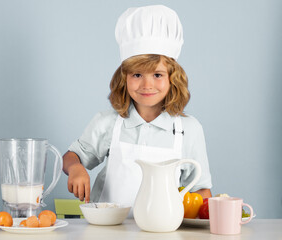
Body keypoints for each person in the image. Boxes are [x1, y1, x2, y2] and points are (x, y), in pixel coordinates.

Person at [63, 5, 212, 207]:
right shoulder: (108, 122)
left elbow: (201, 191)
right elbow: (71, 157)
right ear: (124, 78)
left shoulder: (189, 130)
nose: (147, 85)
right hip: (109, 230)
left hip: (164, 233)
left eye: (157, 75)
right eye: (137, 75)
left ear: (173, 79)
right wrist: (75, 168)